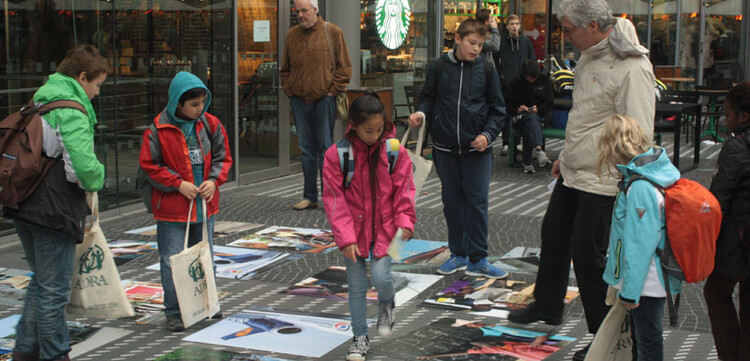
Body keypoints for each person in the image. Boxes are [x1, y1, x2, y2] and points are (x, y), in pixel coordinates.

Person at [507, 2, 656, 360]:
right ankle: (547, 304)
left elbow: (638, 134)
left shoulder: (633, 67)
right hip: (577, 169)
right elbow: (586, 117)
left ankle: (603, 335)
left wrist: (624, 179)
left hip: (605, 178)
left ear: (593, 25)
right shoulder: (590, 54)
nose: (565, 35)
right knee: (554, 234)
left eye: (569, 28)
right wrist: (567, 156)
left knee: (590, 257)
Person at [9, 44, 107, 361]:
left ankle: (25, 350)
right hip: (52, 211)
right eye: (96, 85)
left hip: (25, 204)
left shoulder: (41, 99)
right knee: (54, 292)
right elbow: (83, 169)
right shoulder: (70, 110)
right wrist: (100, 176)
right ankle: (55, 354)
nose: (97, 93)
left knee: (41, 284)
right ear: (82, 77)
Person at [407, 19, 507, 279]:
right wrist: (420, 113)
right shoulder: (439, 66)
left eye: (481, 45)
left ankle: (478, 258)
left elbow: (498, 109)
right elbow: (428, 97)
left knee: (477, 203)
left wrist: (487, 135)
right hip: (445, 148)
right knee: (452, 203)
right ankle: (458, 254)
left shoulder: (486, 69)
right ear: (458, 39)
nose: (476, 49)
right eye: (472, 43)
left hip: (477, 150)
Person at [322, 93, 416, 361]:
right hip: (353, 233)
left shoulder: (394, 149)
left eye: (378, 130)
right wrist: (345, 237)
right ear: (353, 125)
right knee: (356, 286)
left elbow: (405, 190)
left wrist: (406, 223)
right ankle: (360, 337)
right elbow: (334, 199)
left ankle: (387, 304)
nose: (374, 136)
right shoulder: (338, 154)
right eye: (368, 131)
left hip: (394, 232)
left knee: (382, 278)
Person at [139, 71, 233, 332]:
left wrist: (214, 181)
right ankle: (173, 311)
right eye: (193, 104)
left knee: (205, 257)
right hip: (172, 209)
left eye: (202, 102)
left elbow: (222, 158)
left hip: (204, 204)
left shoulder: (211, 124)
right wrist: (176, 183)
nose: (199, 108)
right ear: (177, 103)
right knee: (172, 260)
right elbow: (149, 165)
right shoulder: (157, 129)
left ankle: (207, 303)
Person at [597, 114, 682, 361]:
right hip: (650, 276)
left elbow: (639, 244)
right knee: (645, 338)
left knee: (647, 341)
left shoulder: (640, 187)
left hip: (646, 281)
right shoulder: (652, 173)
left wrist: (630, 291)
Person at [280, 0, 352, 211]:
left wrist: (331, 91)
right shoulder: (292, 35)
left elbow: (344, 67)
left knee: (325, 150)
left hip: (324, 100)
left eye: (304, 10)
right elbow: (285, 68)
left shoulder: (332, 32)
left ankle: (330, 197)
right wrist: (289, 90)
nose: (300, 15)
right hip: (300, 100)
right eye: (297, 11)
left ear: (315, 10)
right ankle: (309, 196)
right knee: (306, 150)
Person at [704, 82, 750, 361]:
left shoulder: (736, 146)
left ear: (743, 116)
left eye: (728, 113)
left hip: (739, 238)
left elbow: (719, 197)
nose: (725, 120)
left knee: (716, 292)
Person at [505, 59, 553, 174]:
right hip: (520, 117)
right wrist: (518, 109)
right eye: (530, 78)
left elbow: (549, 103)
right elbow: (508, 104)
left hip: (538, 117)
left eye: (534, 77)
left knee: (530, 123)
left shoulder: (544, 81)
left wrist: (538, 109)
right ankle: (539, 150)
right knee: (530, 119)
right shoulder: (515, 83)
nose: (532, 80)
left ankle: (527, 163)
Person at [496, 14, 535, 155]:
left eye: (517, 23)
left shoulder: (526, 42)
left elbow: (532, 60)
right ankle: (506, 142)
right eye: (512, 23)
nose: (514, 26)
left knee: (521, 113)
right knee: (506, 114)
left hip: (521, 84)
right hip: (506, 84)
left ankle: (517, 142)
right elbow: (496, 61)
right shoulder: (501, 42)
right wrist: (501, 76)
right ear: (507, 26)